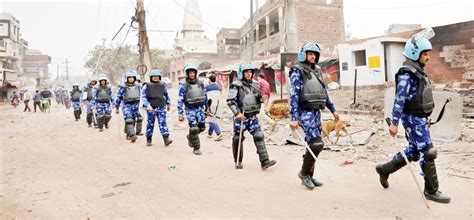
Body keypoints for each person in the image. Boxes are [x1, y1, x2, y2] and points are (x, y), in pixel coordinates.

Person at [375, 31, 450, 203]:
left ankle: (385, 170)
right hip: (411, 118)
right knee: (428, 151)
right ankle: (431, 190)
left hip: (418, 118)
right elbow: (399, 99)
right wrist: (394, 123)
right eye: (425, 54)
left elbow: (419, 97)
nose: (428, 57)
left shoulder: (417, 72)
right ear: (415, 53)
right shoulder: (407, 74)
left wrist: (424, 118)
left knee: (414, 151)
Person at [289, 42, 339, 190]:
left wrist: (333, 110)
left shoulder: (317, 70)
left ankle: (310, 175)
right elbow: (294, 95)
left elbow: (324, 92)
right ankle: (304, 174)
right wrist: (294, 117)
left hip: (316, 112)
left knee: (312, 145)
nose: (312, 56)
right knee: (317, 143)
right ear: (303, 54)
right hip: (304, 112)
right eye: (310, 53)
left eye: (315, 54)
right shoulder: (297, 71)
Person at [227, 63, 277, 170]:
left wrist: (260, 99)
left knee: (259, 135)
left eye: (250, 72)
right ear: (241, 73)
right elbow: (230, 101)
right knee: (238, 138)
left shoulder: (255, 84)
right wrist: (237, 113)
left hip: (253, 117)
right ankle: (238, 161)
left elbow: (257, 97)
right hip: (241, 117)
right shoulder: (236, 85)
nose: (249, 74)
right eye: (246, 72)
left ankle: (264, 161)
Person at [177, 64, 208, 155]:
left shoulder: (200, 83)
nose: (192, 74)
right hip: (190, 109)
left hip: (200, 109)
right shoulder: (184, 85)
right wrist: (180, 113)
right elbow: (180, 100)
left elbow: (205, 96)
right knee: (194, 128)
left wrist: (207, 107)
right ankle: (196, 148)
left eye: (193, 72)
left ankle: (190, 136)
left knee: (202, 127)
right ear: (187, 74)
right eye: (190, 73)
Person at [141, 69, 173, 146]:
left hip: (161, 106)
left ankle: (166, 139)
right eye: (154, 76)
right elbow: (143, 97)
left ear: (159, 77)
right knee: (150, 124)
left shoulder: (163, 85)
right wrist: (147, 105)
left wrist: (168, 104)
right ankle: (149, 138)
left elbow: (166, 95)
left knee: (163, 122)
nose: (156, 78)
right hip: (151, 107)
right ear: (151, 77)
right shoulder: (146, 86)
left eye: (157, 76)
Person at [115, 70, 142, 142]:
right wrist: (117, 107)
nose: (131, 79)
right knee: (129, 119)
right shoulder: (123, 87)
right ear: (126, 78)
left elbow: (142, 96)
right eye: (129, 78)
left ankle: (128, 134)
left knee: (133, 120)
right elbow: (119, 97)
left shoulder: (138, 86)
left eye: (132, 78)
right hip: (126, 105)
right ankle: (132, 135)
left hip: (136, 105)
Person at [205, 73, 223, 141]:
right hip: (218, 104)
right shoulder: (218, 87)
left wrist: (207, 107)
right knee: (212, 118)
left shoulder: (207, 87)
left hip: (211, 104)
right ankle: (209, 134)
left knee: (211, 119)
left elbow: (206, 97)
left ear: (209, 80)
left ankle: (219, 133)